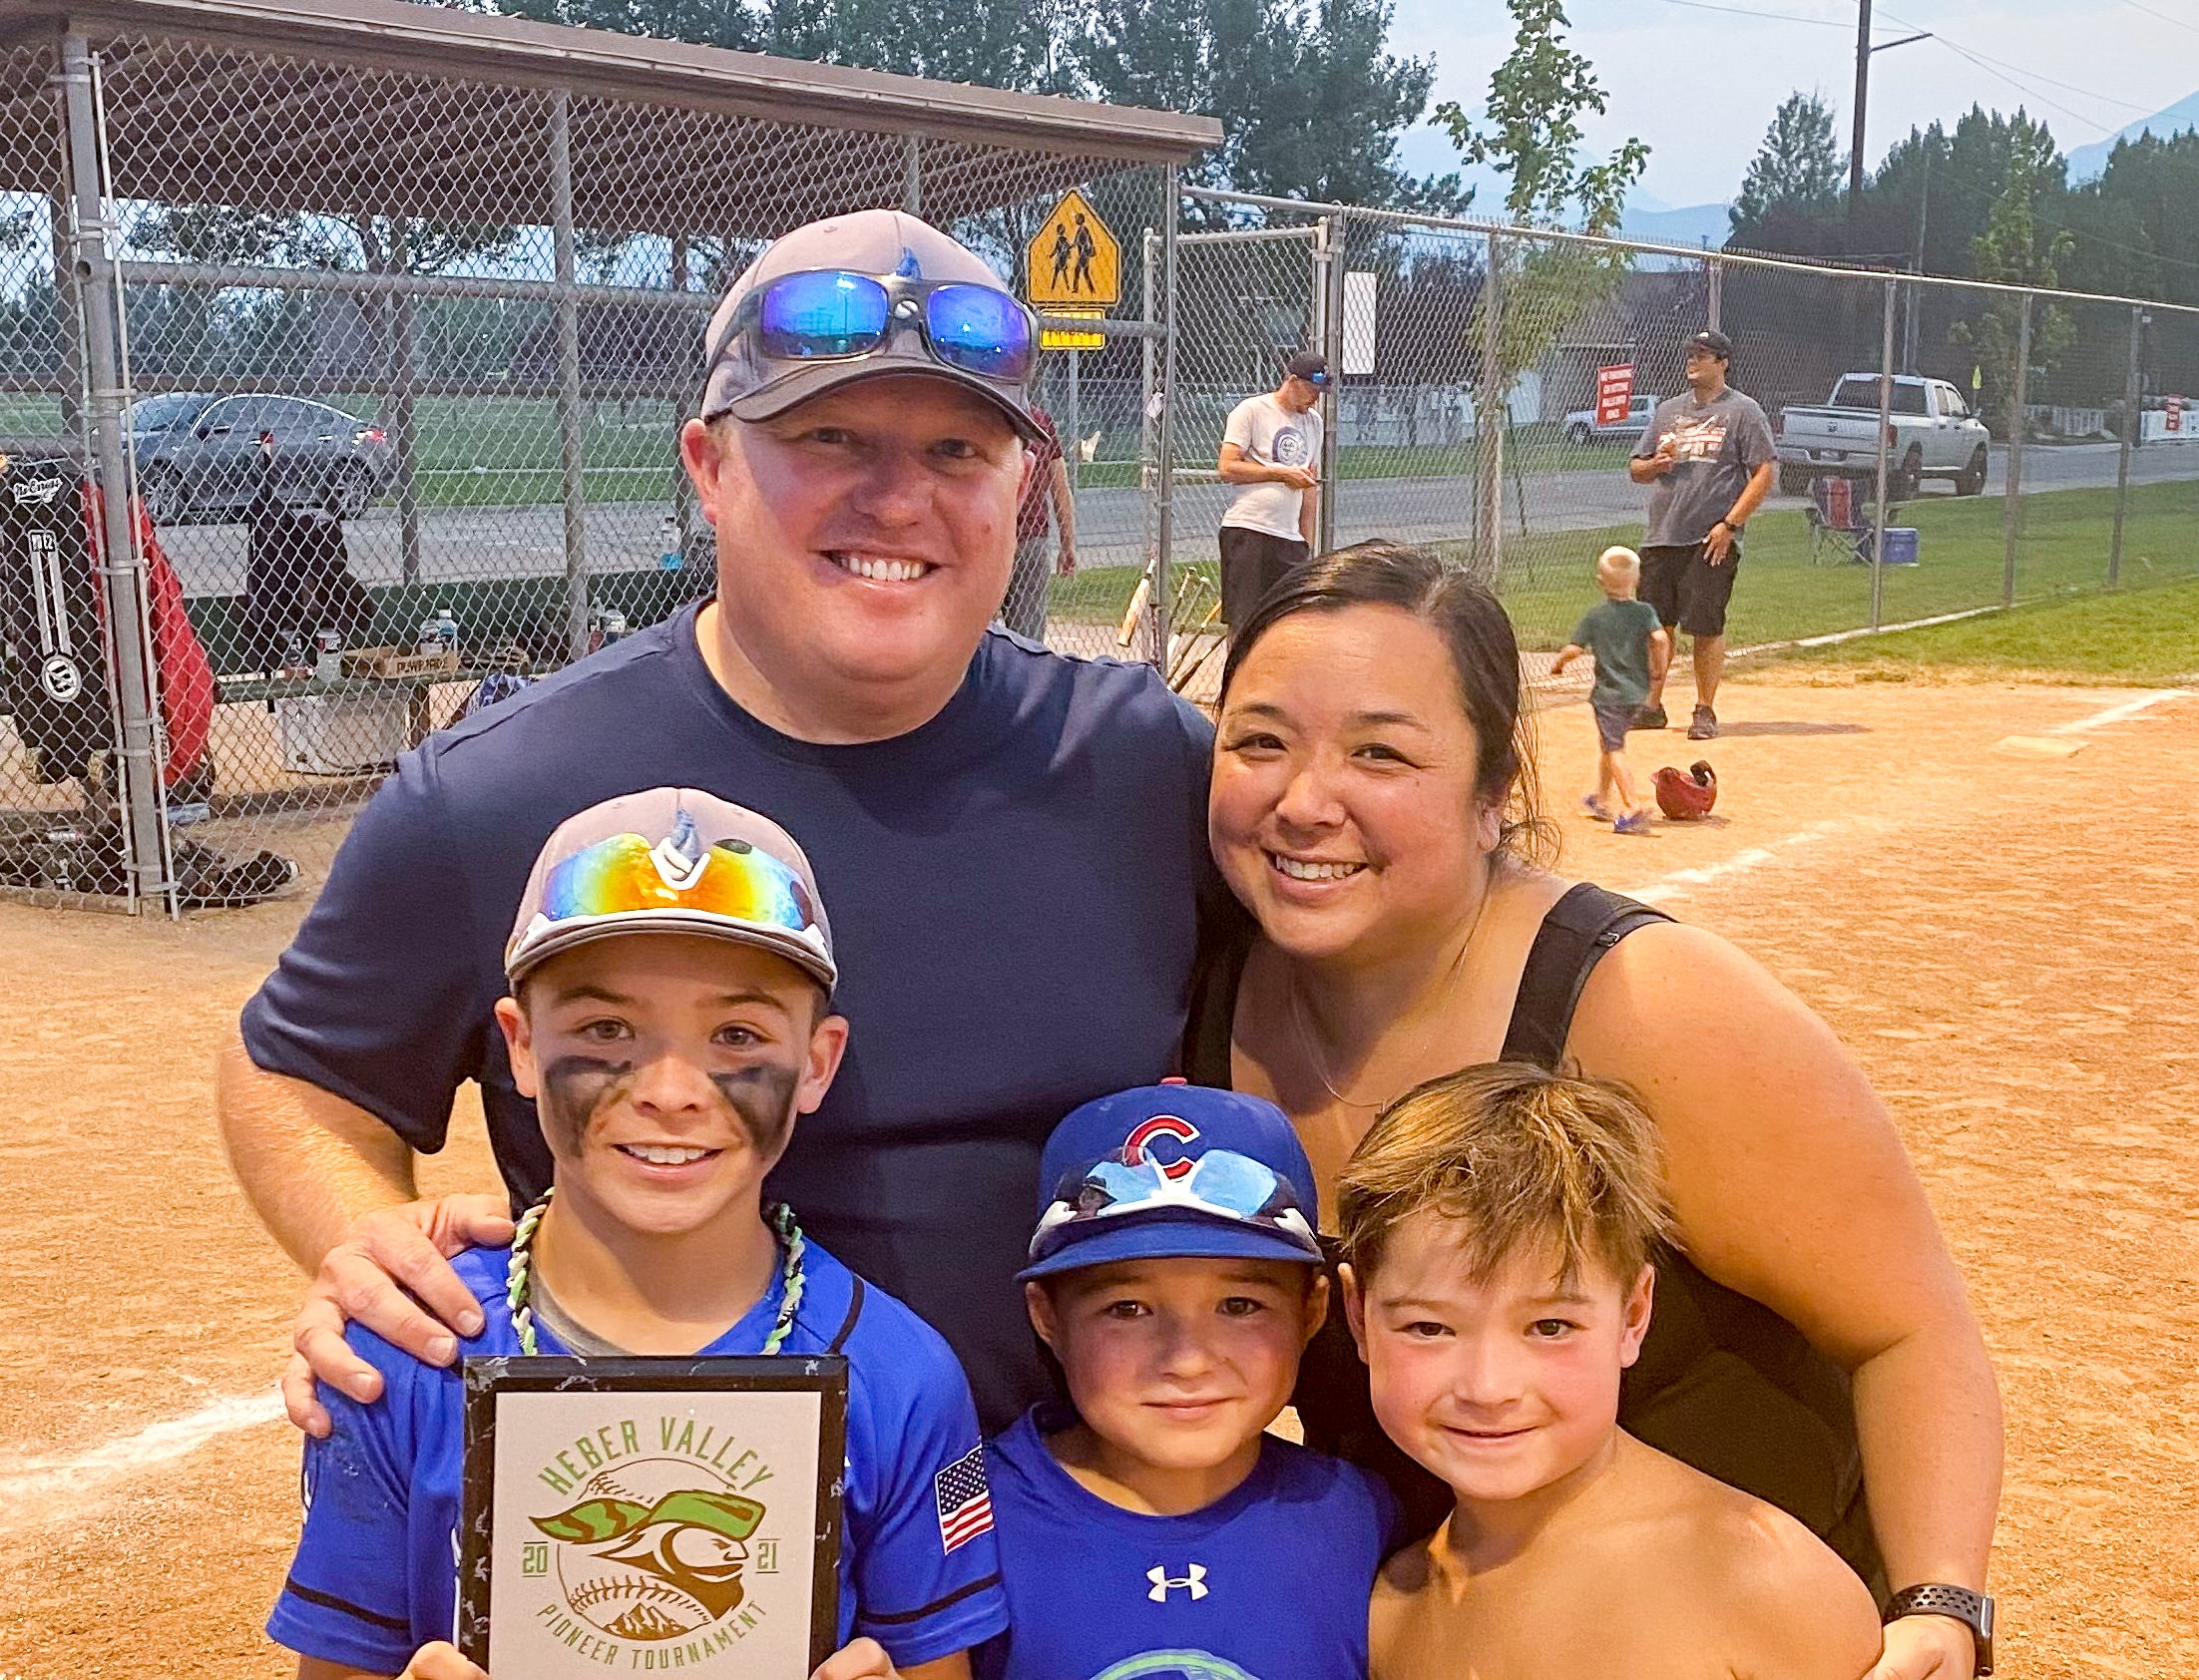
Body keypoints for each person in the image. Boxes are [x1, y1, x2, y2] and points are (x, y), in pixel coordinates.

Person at [219, 209, 1219, 1445]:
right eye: (828, 434)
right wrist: (357, 1237)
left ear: (1023, 486)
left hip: (1069, 1526)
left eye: (959, 450)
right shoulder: (505, 791)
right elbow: (297, 1074)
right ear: (709, 467)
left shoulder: (1141, 765)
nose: (898, 498)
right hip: (670, 1533)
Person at [1186, 542, 2003, 1680]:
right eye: (1259, 741)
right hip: (1452, 1627)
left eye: (1379, 751)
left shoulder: (1646, 1006)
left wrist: (1937, 1608)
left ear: (1490, 796)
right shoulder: (1201, 1004)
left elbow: (1909, 1329)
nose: (1304, 799)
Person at [266, 788, 1007, 1680]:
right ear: (522, 1045)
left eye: (737, 1034)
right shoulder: (404, 1354)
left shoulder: (901, 1377)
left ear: (816, 1063)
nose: (670, 1089)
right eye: (606, 1028)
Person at [1345, 1063, 1882, 1680]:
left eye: (1550, 1327)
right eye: (1429, 1328)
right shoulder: (1390, 1607)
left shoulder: (1758, 1582)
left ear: (1633, 1315)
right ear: (1358, 1317)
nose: (1488, 1388)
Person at [979, 1082, 1395, 1680]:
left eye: (1239, 1305)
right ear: (1046, 1315)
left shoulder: (1360, 1516)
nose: (1188, 1360)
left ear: (1312, 1310)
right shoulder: (965, 1516)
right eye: (1127, 1309)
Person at [1627, 328, 1775, 741]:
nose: (1693, 361)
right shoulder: (1668, 412)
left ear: (1723, 362)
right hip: (1663, 534)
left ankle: (1705, 710)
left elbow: (1764, 470)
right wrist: (1656, 464)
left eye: (1704, 355)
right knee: (1658, 627)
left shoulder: (1743, 411)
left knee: (1705, 625)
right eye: (1691, 354)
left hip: (1710, 538)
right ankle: (1652, 706)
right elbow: (1636, 469)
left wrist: (1730, 524)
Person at [1548, 545, 1668, 835]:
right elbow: (1661, 639)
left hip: (1609, 696)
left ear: (1600, 582)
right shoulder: (1645, 612)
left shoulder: (1596, 616)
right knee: (1609, 743)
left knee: (1615, 749)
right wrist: (1659, 670)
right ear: (1637, 580)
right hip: (1637, 692)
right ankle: (1601, 799)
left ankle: (1631, 804)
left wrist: (1558, 664)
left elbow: (1574, 650)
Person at [1215, 352, 1326, 629]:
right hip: (1250, 529)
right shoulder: (1252, 410)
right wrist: (1279, 472)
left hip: (1288, 538)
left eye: (1320, 391)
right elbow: (1227, 467)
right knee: (1245, 621)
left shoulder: (1314, 422)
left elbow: (1309, 485)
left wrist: (1305, 542)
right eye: (1312, 389)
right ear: (1292, 381)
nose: (1316, 397)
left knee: (1284, 621)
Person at [1000, 405, 1075, 641]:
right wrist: (1067, 543)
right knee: (1027, 637)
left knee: (979, 634)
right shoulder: (1039, 420)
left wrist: (1067, 543)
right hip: (1031, 538)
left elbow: (1059, 486)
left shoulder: (989, 414)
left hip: (1004, 535)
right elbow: (1060, 488)